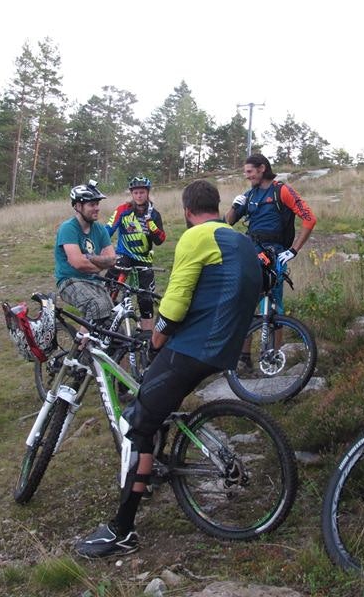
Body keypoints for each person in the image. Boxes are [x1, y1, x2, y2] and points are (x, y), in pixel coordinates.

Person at [75, 179, 263, 558]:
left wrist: (156, 340)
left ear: (186, 211)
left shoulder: (196, 237)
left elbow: (175, 302)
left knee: (138, 423)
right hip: (225, 345)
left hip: (196, 346)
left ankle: (122, 531)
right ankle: (157, 464)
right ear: (217, 204)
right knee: (158, 400)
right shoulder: (240, 239)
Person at [225, 153, 317, 314]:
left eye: (249, 172)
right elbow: (227, 223)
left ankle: (276, 340)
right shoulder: (250, 194)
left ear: (262, 168)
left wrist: (293, 250)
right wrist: (234, 206)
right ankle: (247, 336)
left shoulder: (282, 191)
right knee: (246, 308)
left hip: (275, 256)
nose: (247, 176)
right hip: (251, 253)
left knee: (273, 307)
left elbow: (310, 219)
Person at [106, 176, 166, 331]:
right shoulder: (123, 210)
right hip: (124, 255)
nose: (139, 195)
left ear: (147, 193)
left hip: (144, 259)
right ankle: (104, 318)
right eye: (136, 193)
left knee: (146, 299)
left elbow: (160, 240)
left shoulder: (154, 214)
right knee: (111, 285)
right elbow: (107, 230)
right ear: (132, 194)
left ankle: (146, 336)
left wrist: (150, 224)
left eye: (142, 192)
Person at [55, 180, 119, 326]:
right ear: (78, 206)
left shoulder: (100, 229)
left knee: (113, 318)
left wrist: (90, 258)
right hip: (69, 281)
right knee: (98, 306)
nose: (97, 208)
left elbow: (112, 259)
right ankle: (82, 348)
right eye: (92, 204)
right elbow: (78, 263)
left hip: (94, 281)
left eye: (97, 204)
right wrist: (102, 263)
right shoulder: (68, 228)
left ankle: (97, 344)